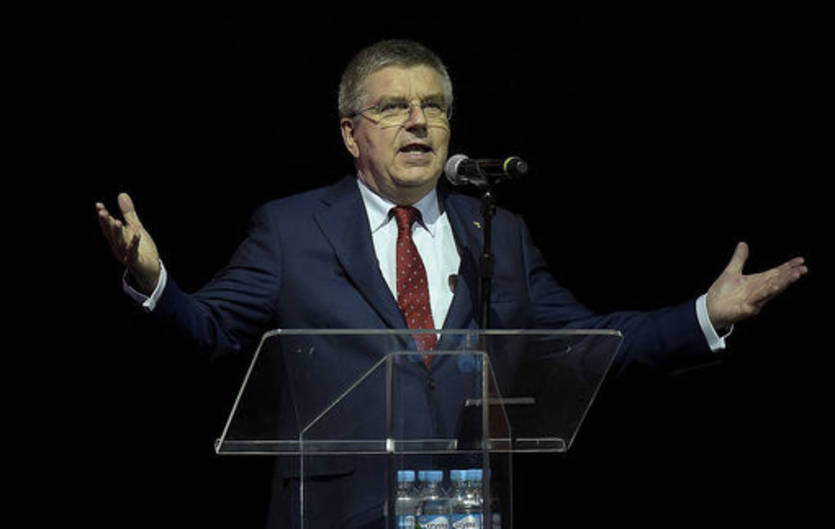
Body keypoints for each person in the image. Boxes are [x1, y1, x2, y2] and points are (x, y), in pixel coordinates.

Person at [95, 39, 807, 528]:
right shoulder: (289, 229)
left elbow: (590, 341)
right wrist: (152, 279)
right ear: (350, 133)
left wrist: (704, 313)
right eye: (393, 108)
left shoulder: (495, 230)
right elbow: (211, 331)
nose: (417, 122)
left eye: (433, 106)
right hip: (337, 513)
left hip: (465, 509)